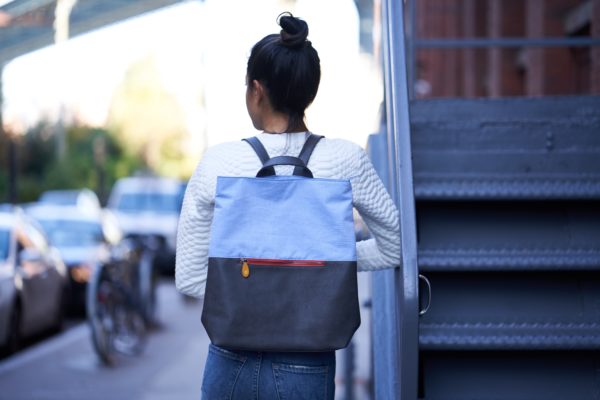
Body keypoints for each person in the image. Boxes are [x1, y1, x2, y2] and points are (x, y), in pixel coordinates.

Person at [176, 12, 401, 400]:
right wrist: (326, 265)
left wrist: (254, 271)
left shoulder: (219, 163)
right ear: (307, 91)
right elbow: (394, 247)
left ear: (256, 90)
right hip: (308, 360)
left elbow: (191, 279)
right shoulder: (345, 160)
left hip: (229, 358)